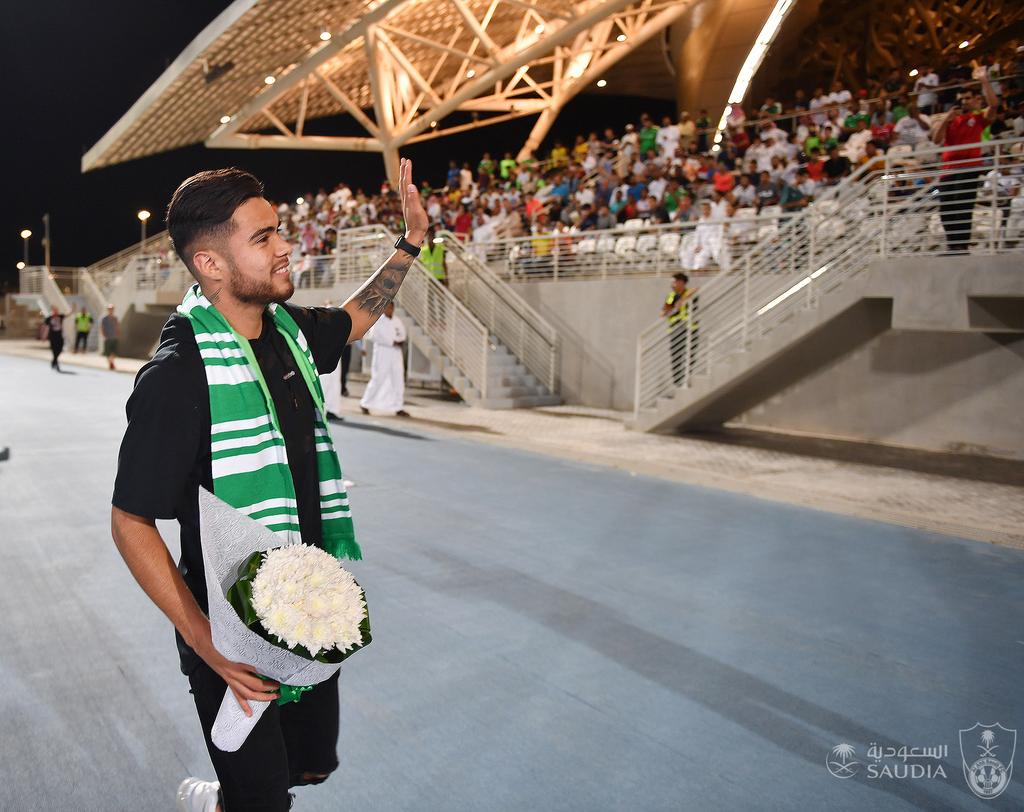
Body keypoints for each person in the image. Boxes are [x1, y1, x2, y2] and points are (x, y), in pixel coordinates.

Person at [110, 161, 428, 811]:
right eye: (263, 238)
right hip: (230, 632)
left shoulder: (288, 334)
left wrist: (410, 246)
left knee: (309, 769)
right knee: (264, 802)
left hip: (305, 606)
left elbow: (355, 316)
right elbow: (129, 520)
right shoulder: (178, 376)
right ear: (211, 264)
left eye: (279, 230)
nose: (287, 246)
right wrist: (205, 643)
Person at [932, 67, 998, 253]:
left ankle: (962, 245)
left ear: (975, 100)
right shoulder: (949, 120)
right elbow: (936, 139)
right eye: (962, 99)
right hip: (948, 169)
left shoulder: (977, 118)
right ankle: (952, 244)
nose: (965, 102)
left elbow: (993, 106)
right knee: (946, 208)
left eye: (968, 98)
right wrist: (946, 119)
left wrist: (984, 81)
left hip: (968, 167)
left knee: (962, 204)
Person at [359, 301, 409, 417]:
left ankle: (398, 407)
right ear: (384, 309)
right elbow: (373, 336)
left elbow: (403, 334)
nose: (390, 310)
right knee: (378, 378)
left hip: (396, 354)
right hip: (383, 352)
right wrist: (392, 342)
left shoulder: (397, 320)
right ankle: (365, 403)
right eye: (388, 308)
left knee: (398, 379)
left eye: (392, 308)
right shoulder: (378, 320)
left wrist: (400, 341)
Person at [662, 273, 695, 386]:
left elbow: (694, 291)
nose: (672, 284)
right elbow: (664, 311)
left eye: (674, 282)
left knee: (689, 356)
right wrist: (673, 307)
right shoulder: (671, 296)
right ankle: (677, 384)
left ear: (681, 282)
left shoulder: (689, 293)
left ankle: (687, 381)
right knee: (676, 357)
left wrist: (681, 301)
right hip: (675, 330)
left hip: (690, 329)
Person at [100, 304, 120, 371]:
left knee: (114, 352)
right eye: (109, 309)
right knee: (108, 353)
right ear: (108, 310)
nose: (111, 310)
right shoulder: (104, 319)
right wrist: (104, 336)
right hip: (107, 338)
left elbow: (117, 327)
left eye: (112, 309)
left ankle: (111, 363)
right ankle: (111, 363)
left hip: (114, 337)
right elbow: (102, 328)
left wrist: (117, 335)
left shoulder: (115, 318)